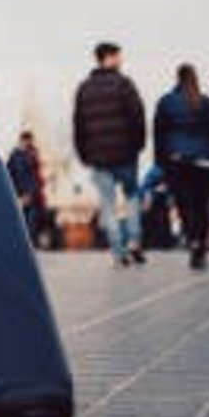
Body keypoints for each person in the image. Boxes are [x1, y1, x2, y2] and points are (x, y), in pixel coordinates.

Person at [152, 64, 209, 270]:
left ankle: (193, 240)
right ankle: (200, 243)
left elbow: (158, 134)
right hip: (205, 163)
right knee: (201, 206)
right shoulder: (207, 103)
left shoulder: (166, 103)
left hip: (177, 161)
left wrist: (160, 162)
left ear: (177, 78)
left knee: (184, 206)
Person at [73, 42, 149, 267]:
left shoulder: (84, 88)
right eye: (119, 56)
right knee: (132, 196)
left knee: (108, 204)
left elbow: (79, 125)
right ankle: (134, 241)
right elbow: (138, 117)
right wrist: (138, 145)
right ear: (110, 57)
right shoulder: (124, 85)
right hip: (126, 154)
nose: (121, 60)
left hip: (99, 157)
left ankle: (118, 251)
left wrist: (84, 154)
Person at [5, 131, 46, 247]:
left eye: (29, 141)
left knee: (32, 219)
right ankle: (23, 243)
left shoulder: (32, 154)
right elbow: (11, 175)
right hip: (21, 192)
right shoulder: (15, 156)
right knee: (22, 219)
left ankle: (30, 243)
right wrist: (18, 193)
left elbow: (35, 176)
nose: (28, 143)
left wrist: (31, 193)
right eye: (26, 141)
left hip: (32, 193)